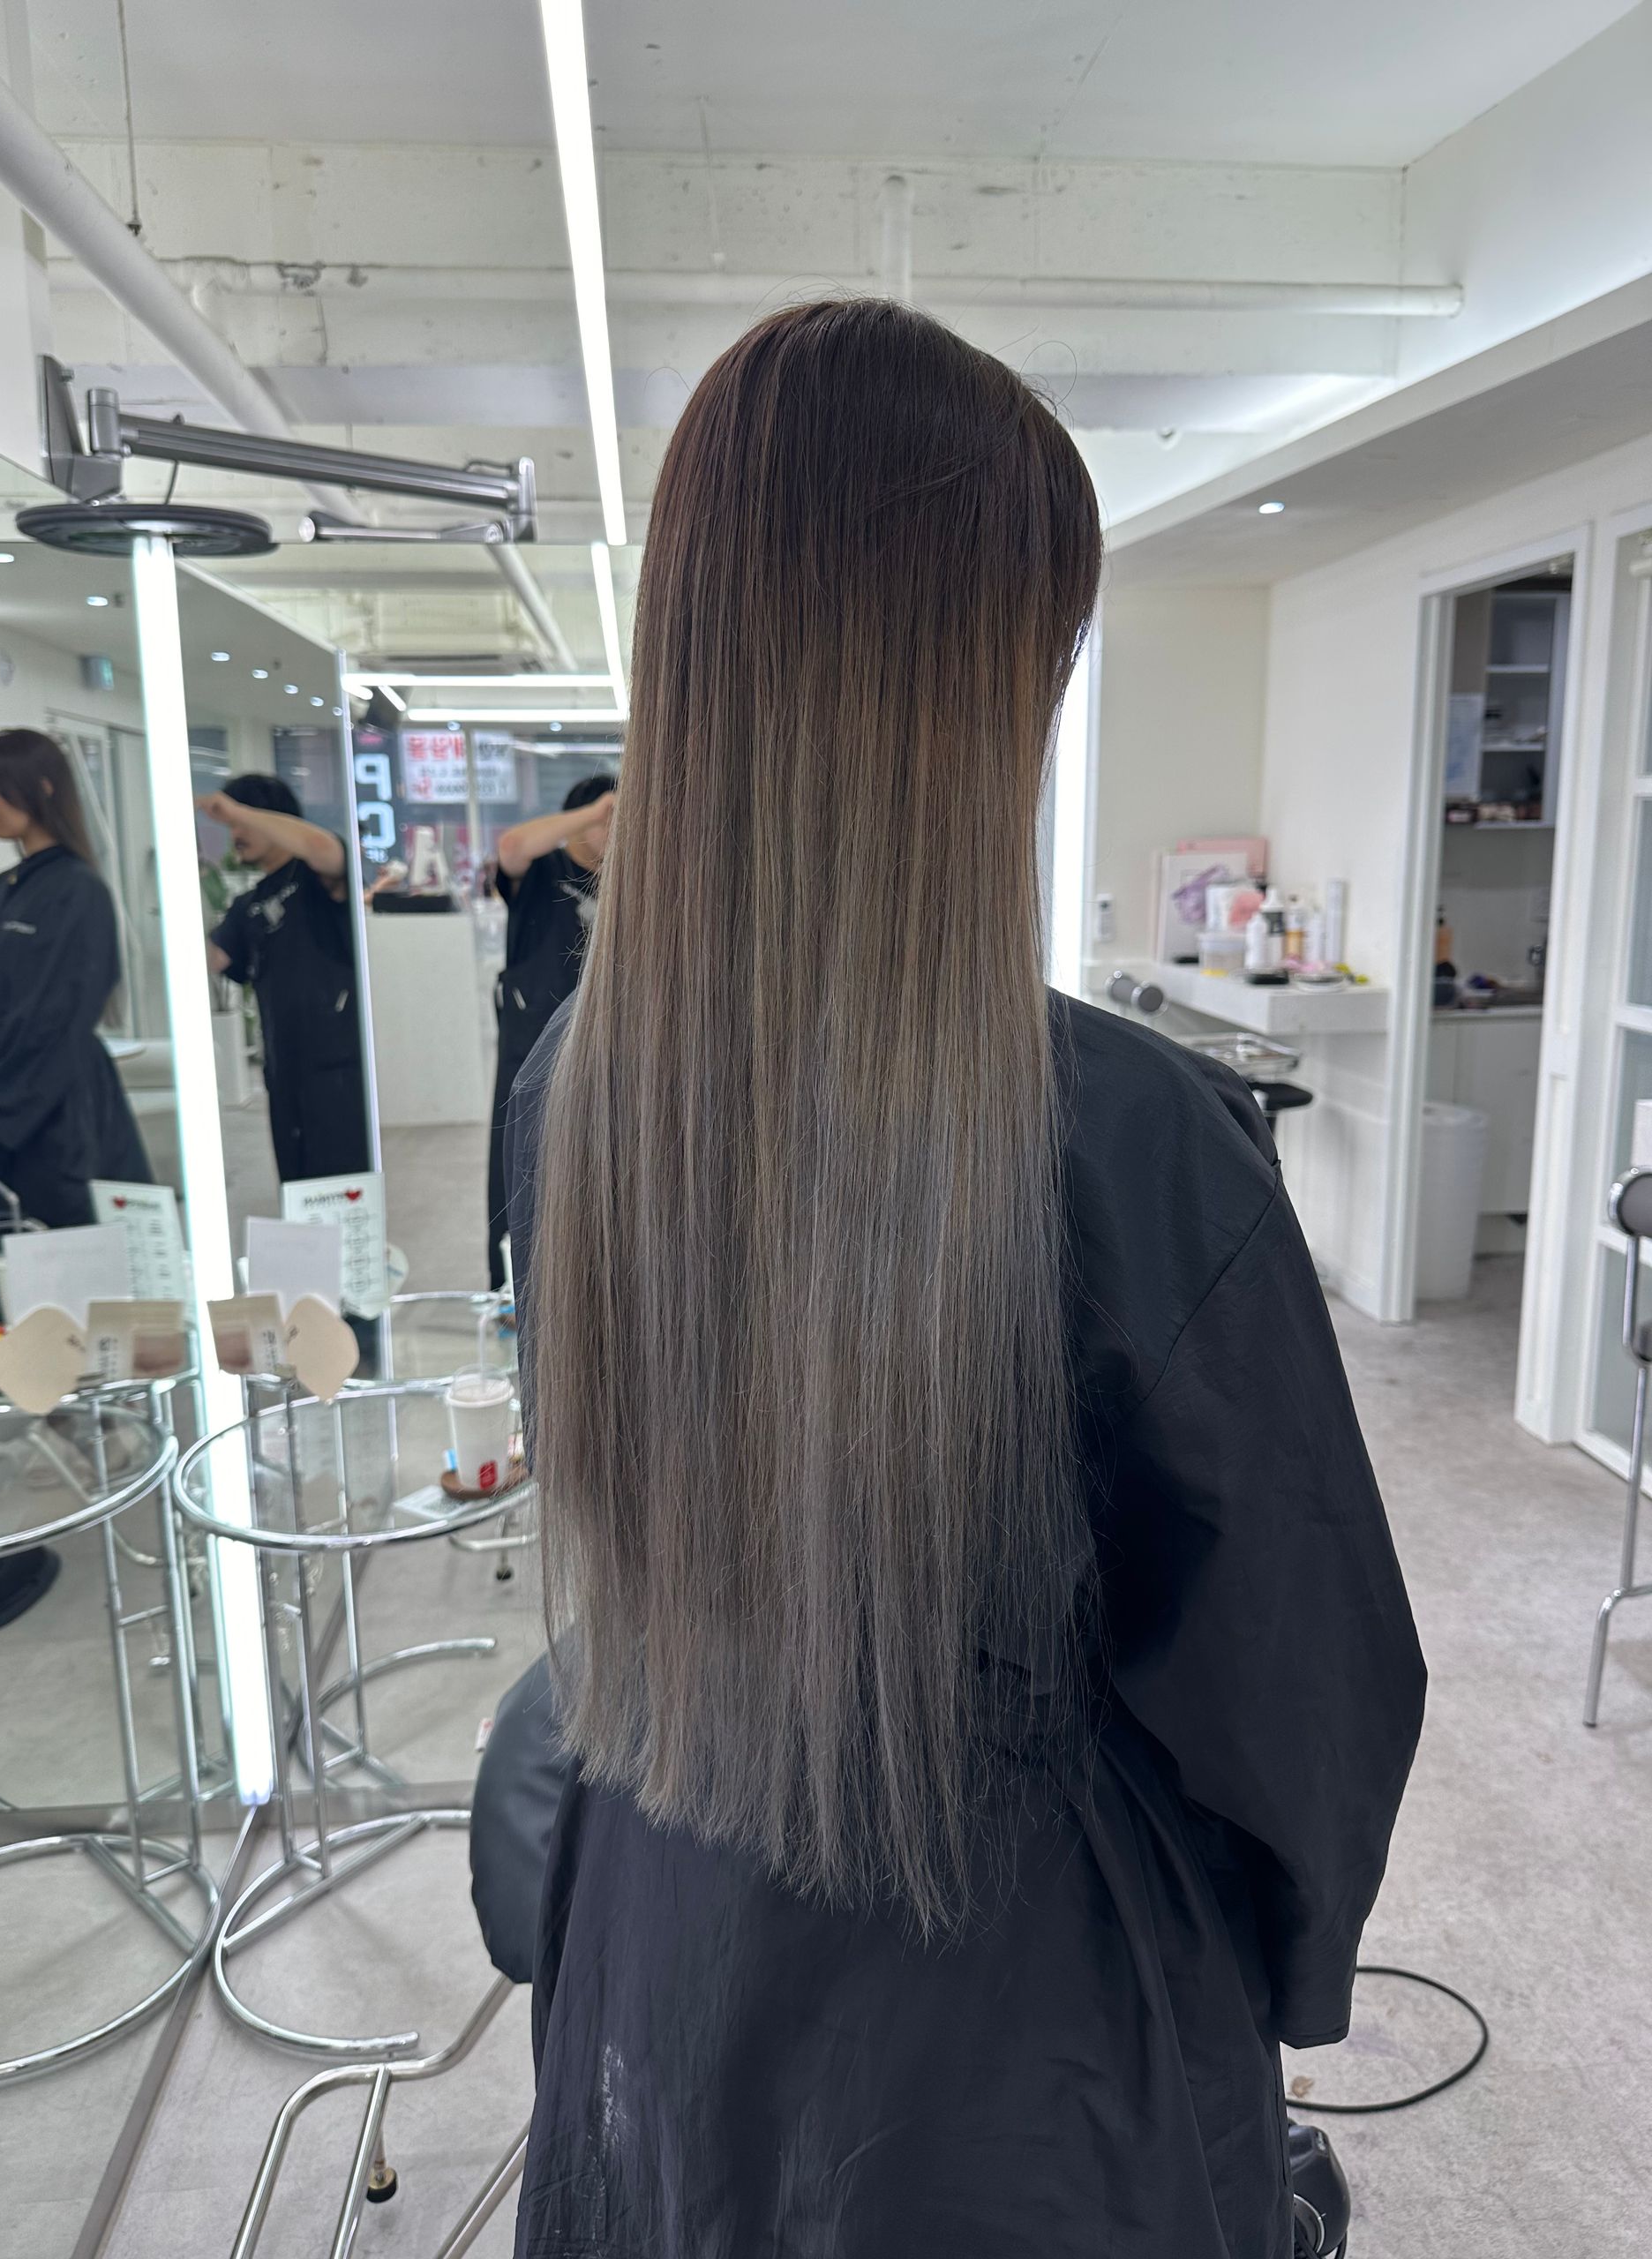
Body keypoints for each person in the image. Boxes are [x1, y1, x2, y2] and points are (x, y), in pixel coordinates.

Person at [504, 300, 1425, 2259]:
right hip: (1015, 2046)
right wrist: (1252, 1975)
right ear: (969, 692)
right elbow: (1302, 1700)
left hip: (663, 1934)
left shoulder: (574, 1088)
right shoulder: (1131, 1138)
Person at [0, 728, 151, 1642]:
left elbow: (57, 1016)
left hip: (62, 1119)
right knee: (14, 1280)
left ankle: (113, 1426)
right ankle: (55, 1411)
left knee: (91, 1273)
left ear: (36, 787)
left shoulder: (78, 892)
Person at [200, 776, 370, 1187]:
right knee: (296, 1181)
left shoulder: (315, 875)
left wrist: (237, 810)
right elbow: (216, 959)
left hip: (336, 1066)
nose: (235, 835)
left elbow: (326, 850)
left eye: (243, 823)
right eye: (231, 826)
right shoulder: (248, 904)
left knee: (341, 1183)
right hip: (283, 1064)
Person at [484, 773, 615, 1289]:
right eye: (610, 822)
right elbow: (512, 845)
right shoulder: (540, 873)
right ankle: (510, 1291)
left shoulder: (625, 883)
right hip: (530, 1047)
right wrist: (598, 809)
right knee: (521, 1164)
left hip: (601, 1052)